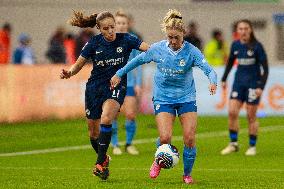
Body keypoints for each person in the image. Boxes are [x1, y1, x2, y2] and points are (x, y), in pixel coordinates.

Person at [110, 9, 217, 184]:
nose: (173, 41)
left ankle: (187, 175)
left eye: (176, 37)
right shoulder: (158, 49)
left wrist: (213, 81)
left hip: (186, 97)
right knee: (165, 138)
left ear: (183, 34)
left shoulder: (191, 51)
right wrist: (119, 73)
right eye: (170, 37)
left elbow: (209, 70)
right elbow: (137, 61)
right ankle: (158, 159)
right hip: (163, 98)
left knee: (189, 137)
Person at [60, 10, 149, 180]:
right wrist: (69, 73)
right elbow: (78, 65)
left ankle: (99, 163)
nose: (110, 31)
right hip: (95, 88)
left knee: (107, 118)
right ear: (99, 29)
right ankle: (104, 159)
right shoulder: (94, 43)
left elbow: (148, 48)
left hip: (116, 85)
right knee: (93, 133)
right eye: (106, 28)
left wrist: (161, 53)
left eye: (112, 27)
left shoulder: (127, 39)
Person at [220, 19, 269, 156]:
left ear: (250, 30)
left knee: (250, 115)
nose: (243, 31)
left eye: (246, 28)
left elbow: (265, 69)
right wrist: (224, 78)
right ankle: (233, 144)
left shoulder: (257, 46)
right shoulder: (235, 45)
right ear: (237, 31)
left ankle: (252, 146)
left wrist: (261, 86)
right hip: (238, 83)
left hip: (253, 84)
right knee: (232, 112)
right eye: (240, 29)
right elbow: (230, 62)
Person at [110, 10, 142, 155]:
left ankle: (129, 144)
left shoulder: (133, 40)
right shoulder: (107, 40)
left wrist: (138, 83)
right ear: (114, 25)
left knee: (130, 114)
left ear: (127, 25)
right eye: (118, 23)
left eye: (123, 23)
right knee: (114, 114)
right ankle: (115, 144)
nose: (121, 25)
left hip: (129, 83)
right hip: (112, 83)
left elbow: (139, 63)